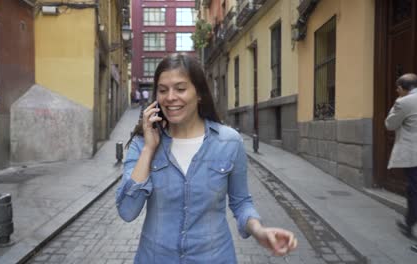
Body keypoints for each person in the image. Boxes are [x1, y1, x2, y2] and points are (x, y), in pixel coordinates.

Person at [116, 53, 297, 263]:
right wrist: (149, 149)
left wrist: (259, 231)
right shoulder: (142, 144)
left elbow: (241, 203)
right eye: (163, 90)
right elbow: (127, 211)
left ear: (199, 93)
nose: (170, 97)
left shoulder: (229, 142)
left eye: (181, 89)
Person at [385, 73, 417, 255]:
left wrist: (397, 101)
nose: (396, 91)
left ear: (403, 88)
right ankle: (409, 223)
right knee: (413, 191)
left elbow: (390, 125)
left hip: (416, 157)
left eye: (397, 88)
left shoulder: (404, 102)